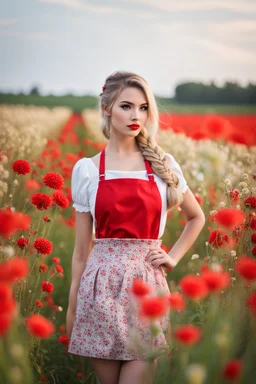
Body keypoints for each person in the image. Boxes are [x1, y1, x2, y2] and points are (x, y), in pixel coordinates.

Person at [66, 71, 205, 384]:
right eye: (126, 106)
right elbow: (80, 250)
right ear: (107, 108)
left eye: (143, 108)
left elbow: (197, 217)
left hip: (147, 286)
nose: (136, 116)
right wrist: (73, 306)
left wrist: (173, 257)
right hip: (99, 289)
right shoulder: (88, 170)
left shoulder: (163, 164)